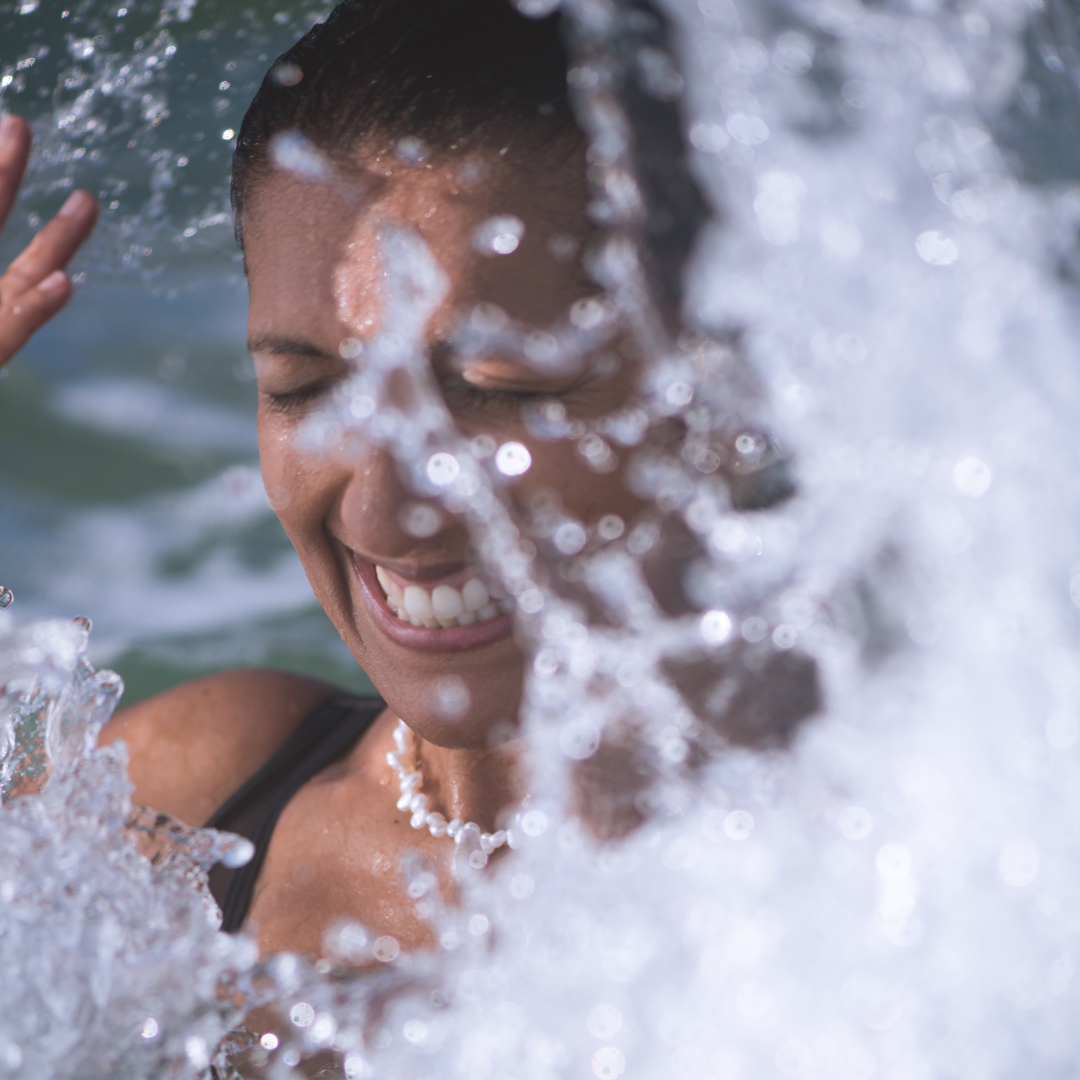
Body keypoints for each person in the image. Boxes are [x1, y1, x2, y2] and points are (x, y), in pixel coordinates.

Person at [0, 0, 813, 976]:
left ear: (722, 391)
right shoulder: (194, 799)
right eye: (302, 389)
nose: (383, 507)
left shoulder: (902, 858)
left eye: (493, 392)